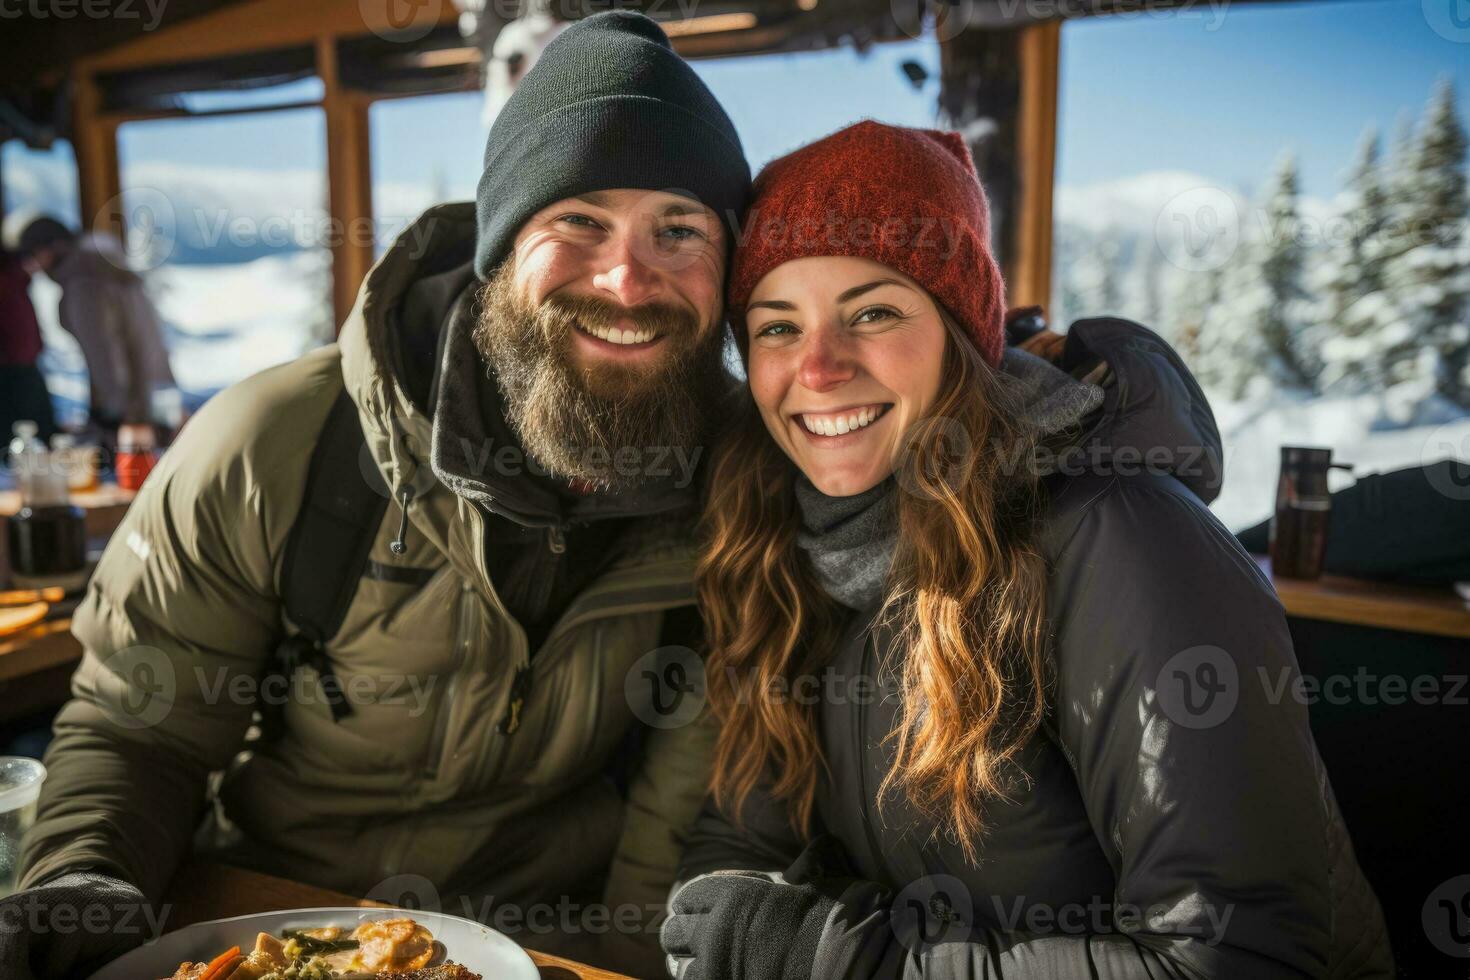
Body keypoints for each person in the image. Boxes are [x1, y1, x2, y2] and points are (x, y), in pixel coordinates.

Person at [2, 11, 748, 979]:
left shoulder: (737, 485)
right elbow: (141, 725)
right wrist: (88, 885)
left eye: (678, 228)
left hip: (540, 940)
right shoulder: (275, 444)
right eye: (579, 220)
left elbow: (684, 794)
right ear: (499, 251)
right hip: (266, 923)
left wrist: (627, 963)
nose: (626, 276)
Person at [662, 121, 1393, 978]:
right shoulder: (785, 542)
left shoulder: (1121, 539)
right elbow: (740, 837)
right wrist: (721, 922)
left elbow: (1238, 958)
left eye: (874, 312)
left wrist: (843, 961)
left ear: (963, 336)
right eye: (778, 327)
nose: (819, 367)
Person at [16, 215, 175, 435]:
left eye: (33, 255)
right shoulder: (103, 267)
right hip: (152, 394)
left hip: (132, 410)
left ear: (53, 247)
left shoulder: (84, 285)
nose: (32, 266)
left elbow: (105, 355)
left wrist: (115, 413)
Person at [0, 244, 57, 443]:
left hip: (22, 365)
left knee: (38, 440)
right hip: (13, 367)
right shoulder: (11, 276)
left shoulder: (13, 274)